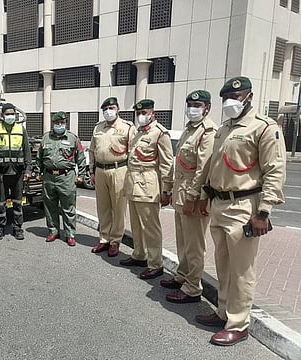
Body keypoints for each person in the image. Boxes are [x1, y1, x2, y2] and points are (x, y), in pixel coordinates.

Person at [195, 76, 286, 346]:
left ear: (249, 97)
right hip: (220, 204)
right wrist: (203, 197)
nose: (230, 102)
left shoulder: (264, 128)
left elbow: (274, 171)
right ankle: (223, 311)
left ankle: (238, 323)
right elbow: (212, 167)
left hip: (244, 207)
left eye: (236, 97)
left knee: (242, 269)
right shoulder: (224, 129)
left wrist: (264, 212)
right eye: (226, 98)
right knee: (223, 264)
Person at [160, 90, 217, 302]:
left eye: (198, 105)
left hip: (193, 197)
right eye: (190, 105)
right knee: (182, 241)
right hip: (181, 194)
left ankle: (193, 287)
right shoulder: (189, 130)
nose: (192, 109)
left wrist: (193, 197)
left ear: (207, 108)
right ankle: (183, 276)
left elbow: (204, 169)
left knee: (194, 245)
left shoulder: (208, 132)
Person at [120, 99, 173, 279]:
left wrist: (167, 190)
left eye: (144, 113)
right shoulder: (137, 133)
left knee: (150, 227)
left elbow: (167, 163)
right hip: (133, 182)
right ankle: (139, 254)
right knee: (136, 224)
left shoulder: (160, 133)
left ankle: (155, 264)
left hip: (149, 184)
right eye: (139, 113)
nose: (141, 116)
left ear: (153, 113)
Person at [89, 97, 136, 257]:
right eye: (105, 109)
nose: (109, 111)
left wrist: (130, 175)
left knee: (118, 207)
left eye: (112, 108)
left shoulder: (128, 127)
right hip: (100, 171)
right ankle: (104, 238)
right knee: (103, 208)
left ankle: (115, 240)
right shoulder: (98, 128)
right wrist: (91, 171)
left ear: (118, 109)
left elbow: (132, 153)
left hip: (119, 170)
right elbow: (92, 151)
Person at [36, 112, 86, 246]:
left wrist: (81, 175)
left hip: (66, 177)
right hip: (48, 176)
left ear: (66, 123)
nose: (59, 125)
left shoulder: (73, 138)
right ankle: (53, 231)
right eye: (57, 123)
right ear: (53, 123)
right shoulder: (46, 138)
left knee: (68, 206)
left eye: (62, 123)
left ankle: (70, 234)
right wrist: (38, 171)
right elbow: (39, 157)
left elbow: (80, 158)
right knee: (50, 206)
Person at [0, 103, 32, 241]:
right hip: (0, 173)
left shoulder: (21, 129)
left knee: (18, 202)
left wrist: (28, 169)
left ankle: (18, 228)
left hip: (17, 173)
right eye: (8, 114)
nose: (10, 116)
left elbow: (27, 151)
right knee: (0, 203)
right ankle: (0, 229)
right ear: (2, 115)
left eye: (12, 114)